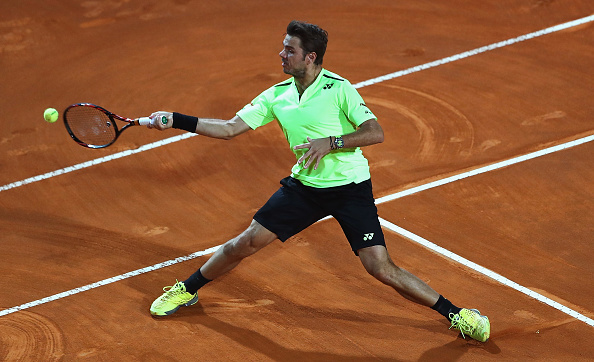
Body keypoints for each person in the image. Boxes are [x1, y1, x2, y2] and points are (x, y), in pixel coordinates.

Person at [144, 20, 490, 342]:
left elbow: (375, 132)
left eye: (289, 50)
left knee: (380, 268)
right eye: (283, 48)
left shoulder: (339, 89)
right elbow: (230, 128)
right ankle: (187, 289)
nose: (281, 54)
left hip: (350, 189)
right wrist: (175, 119)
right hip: (305, 189)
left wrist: (332, 143)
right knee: (244, 244)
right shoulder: (277, 95)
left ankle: (457, 314)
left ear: (310, 57)